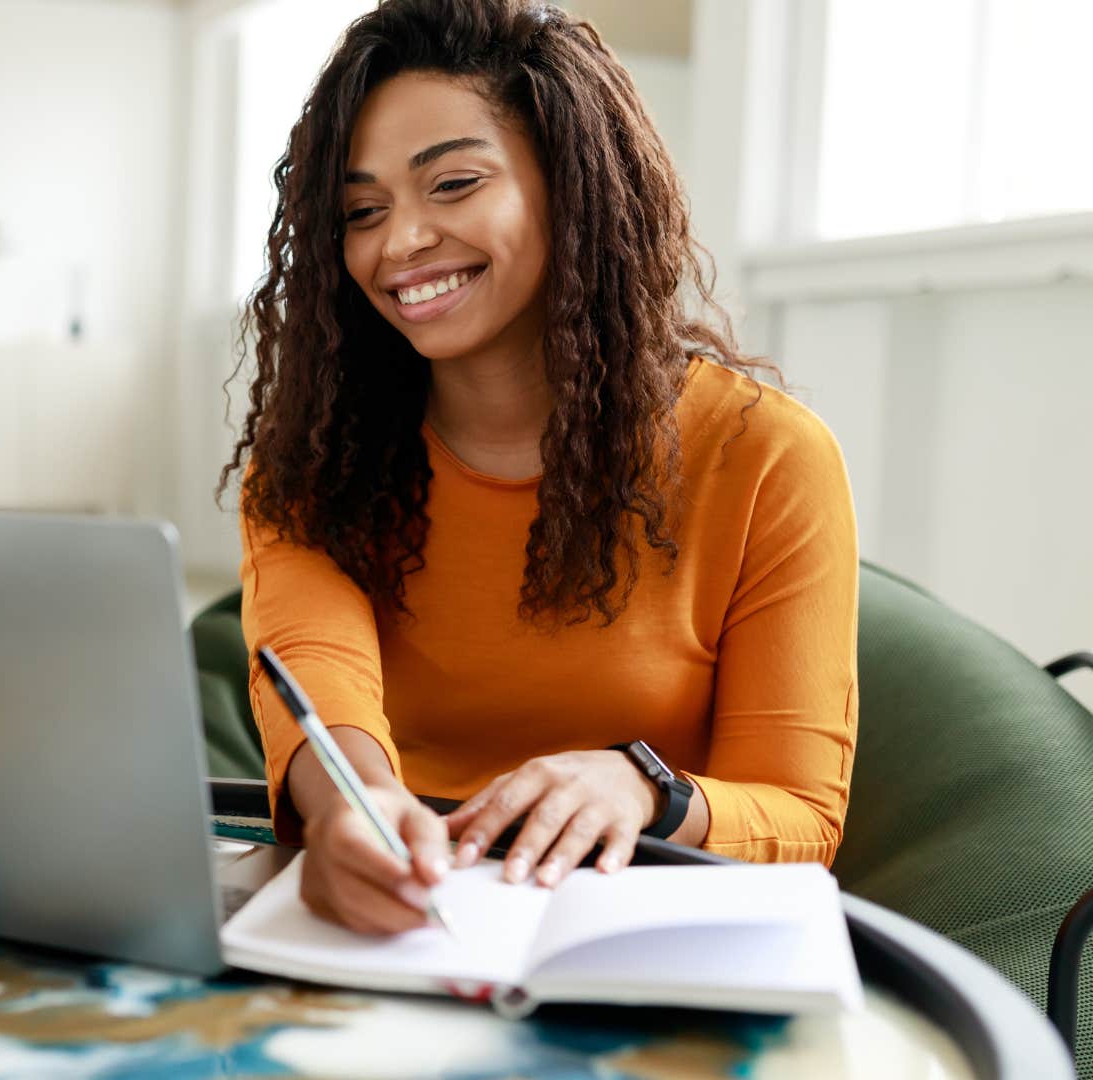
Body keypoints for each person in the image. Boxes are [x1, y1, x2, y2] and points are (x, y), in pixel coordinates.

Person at [220, 0, 858, 936]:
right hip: (400, 921)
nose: (399, 244)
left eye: (453, 184)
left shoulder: (766, 457)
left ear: (572, 181)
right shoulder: (314, 455)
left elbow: (802, 814)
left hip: (646, 930)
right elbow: (320, 670)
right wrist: (350, 807)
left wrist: (647, 791)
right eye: (362, 211)